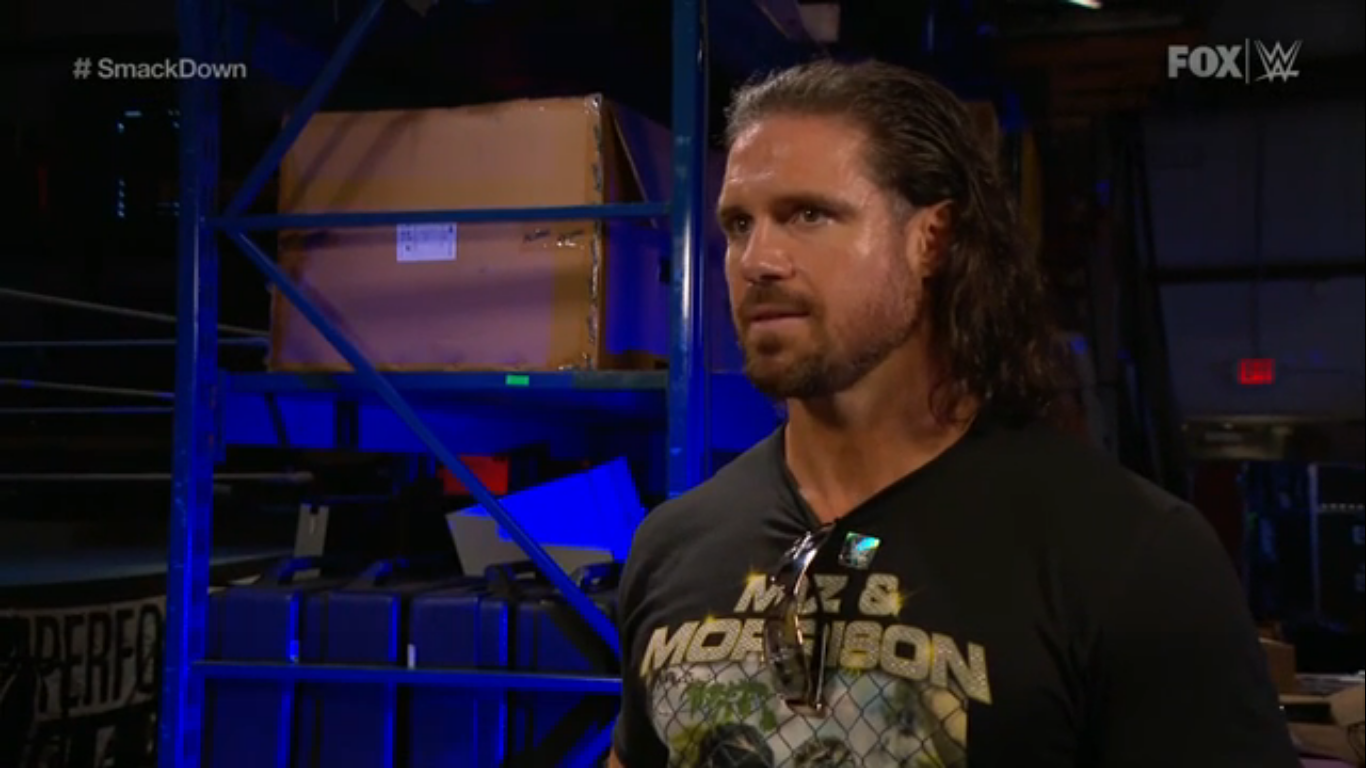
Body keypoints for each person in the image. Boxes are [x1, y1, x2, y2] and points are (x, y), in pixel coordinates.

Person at [608, 59, 1299, 768]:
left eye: (808, 215)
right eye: (738, 224)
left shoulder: (1130, 556)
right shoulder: (672, 547)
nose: (758, 260)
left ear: (931, 238)